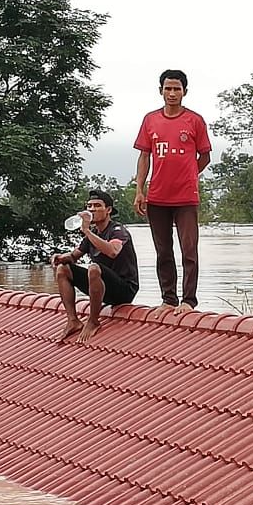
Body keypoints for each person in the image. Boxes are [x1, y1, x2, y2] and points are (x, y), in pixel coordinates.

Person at [134, 69, 212, 313]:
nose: (172, 93)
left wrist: (189, 174)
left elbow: (205, 156)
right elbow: (144, 156)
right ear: (161, 91)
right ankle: (168, 299)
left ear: (184, 92)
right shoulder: (150, 120)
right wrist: (140, 189)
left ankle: (189, 300)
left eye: (177, 88)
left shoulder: (195, 121)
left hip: (186, 197)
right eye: (168, 88)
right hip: (157, 196)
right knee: (163, 251)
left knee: (189, 249)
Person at [51, 189, 140, 343]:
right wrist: (59, 258)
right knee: (63, 269)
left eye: (97, 206)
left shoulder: (118, 231)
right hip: (102, 286)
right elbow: (74, 256)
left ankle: (93, 321)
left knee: (93, 268)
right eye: (89, 206)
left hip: (124, 289)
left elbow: (113, 251)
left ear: (108, 210)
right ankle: (73, 320)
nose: (92, 209)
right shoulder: (92, 234)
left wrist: (86, 231)